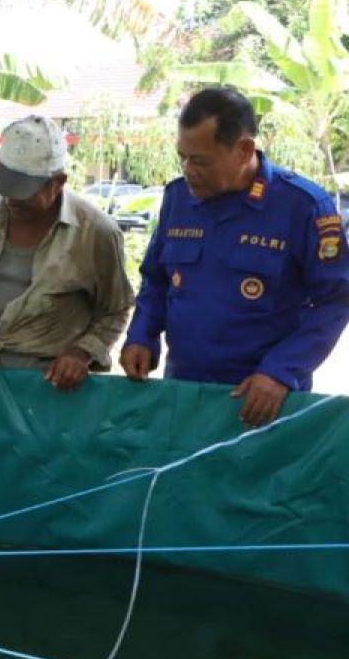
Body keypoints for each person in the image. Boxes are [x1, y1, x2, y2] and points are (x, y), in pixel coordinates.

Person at [121, 86, 349, 425]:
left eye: (199, 161)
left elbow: (336, 301)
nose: (187, 169)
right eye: (181, 157)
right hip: (184, 393)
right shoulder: (178, 199)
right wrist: (142, 334)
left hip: (263, 399)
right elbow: (156, 278)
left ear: (244, 150)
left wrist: (281, 371)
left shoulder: (302, 207)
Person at [0, 115, 134, 391]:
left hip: (53, 386)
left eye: (24, 191)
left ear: (58, 182)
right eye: (7, 188)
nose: (12, 199)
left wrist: (81, 353)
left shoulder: (96, 232)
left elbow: (116, 309)